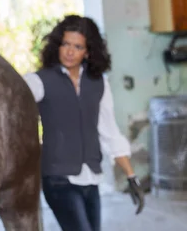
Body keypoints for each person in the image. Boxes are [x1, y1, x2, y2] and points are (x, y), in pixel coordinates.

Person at [23, 14, 144, 231]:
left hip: (91, 178)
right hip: (58, 179)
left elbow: (109, 131)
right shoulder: (38, 81)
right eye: (65, 44)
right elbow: (10, 104)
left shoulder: (99, 83)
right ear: (57, 46)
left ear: (88, 52)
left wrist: (131, 176)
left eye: (78, 47)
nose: (70, 52)